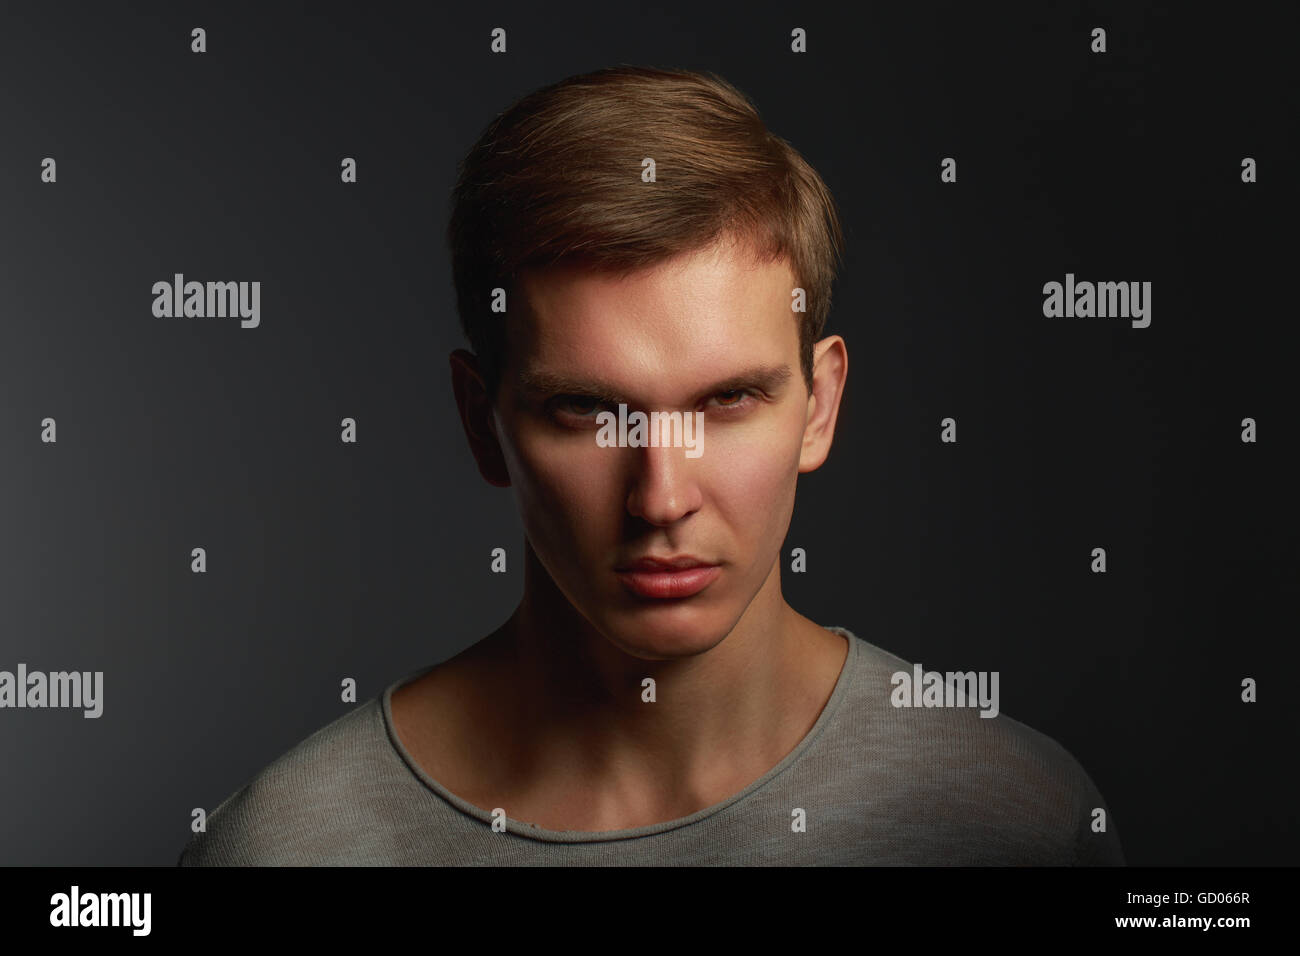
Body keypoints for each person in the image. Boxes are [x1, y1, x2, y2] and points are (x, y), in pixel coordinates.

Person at [180, 65, 1124, 865]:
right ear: (482, 422)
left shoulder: (1009, 819)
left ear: (820, 405)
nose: (661, 497)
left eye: (727, 401)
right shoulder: (292, 846)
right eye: (589, 410)